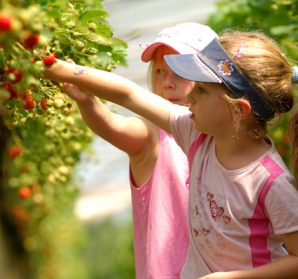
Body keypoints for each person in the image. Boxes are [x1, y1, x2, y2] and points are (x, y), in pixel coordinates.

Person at [43, 30, 298, 279]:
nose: (188, 96)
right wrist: (67, 71)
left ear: (238, 110)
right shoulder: (195, 137)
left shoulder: (271, 183)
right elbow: (130, 95)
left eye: (200, 90)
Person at [58, 23, 218, 279]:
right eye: (159, 72)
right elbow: (113, 125)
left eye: (179, 70)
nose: (167, 83)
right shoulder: (154, 137)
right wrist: (87, 100)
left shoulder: (226, 138)